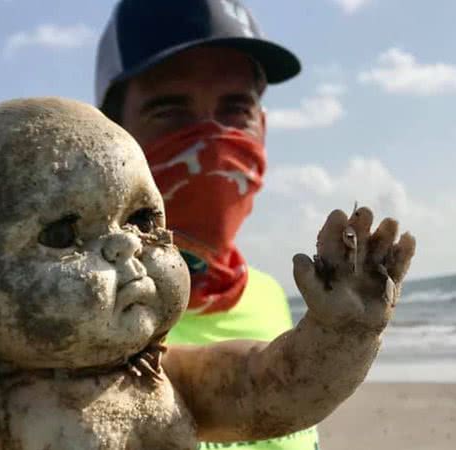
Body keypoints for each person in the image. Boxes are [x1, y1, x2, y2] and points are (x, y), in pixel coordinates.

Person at [95, 0, 321, 448]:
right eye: (170, 110)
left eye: (236, 108)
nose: (212, 141)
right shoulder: (71, 322)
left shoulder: (269, 295)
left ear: (263, 127)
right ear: (110, 135)